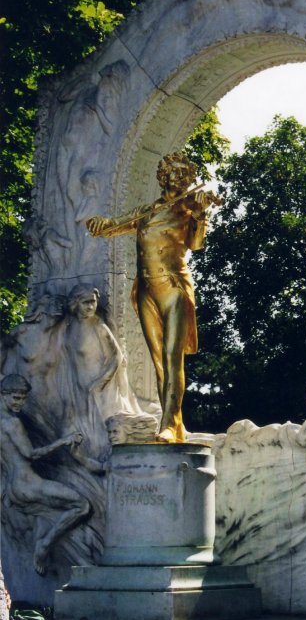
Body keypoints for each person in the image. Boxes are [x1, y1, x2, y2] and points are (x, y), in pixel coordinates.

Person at [86, 151, 220, 442]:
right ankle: (175, 423)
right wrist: (99, 224)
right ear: (163, 176)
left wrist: (201, 214)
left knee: (173, 359)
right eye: (173, 173)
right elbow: (112, 227)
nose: (179, 178)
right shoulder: (146, 211)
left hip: (173, 287)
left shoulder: (188, 209)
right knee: (158, 361)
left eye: (184, 175)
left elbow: (196, 245)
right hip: (146, 289)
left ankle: (170, 424)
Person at [0, 374, 90, 576]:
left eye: (23, 398)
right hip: (29, 485)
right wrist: (64, 441)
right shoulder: (12, 423)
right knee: (81, 505)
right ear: (3, 395)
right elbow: (31, 454)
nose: (20, 403)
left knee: (47, 515)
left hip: (14, 489)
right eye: (15, 397)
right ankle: (44, 544)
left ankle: (44, 542)